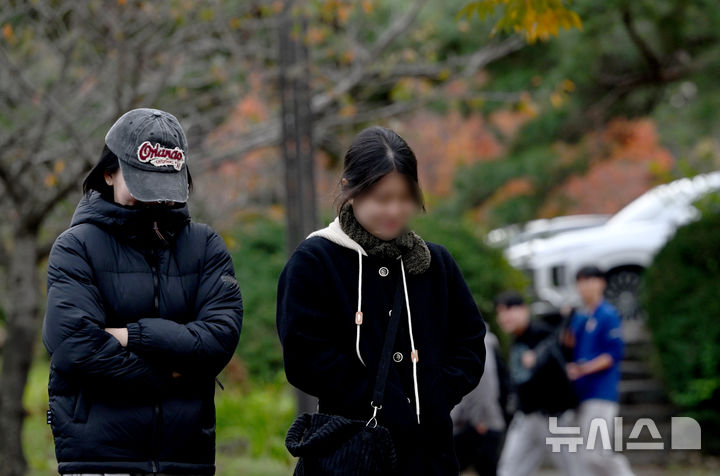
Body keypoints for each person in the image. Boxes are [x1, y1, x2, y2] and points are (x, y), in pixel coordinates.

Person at [42, 108, 244, 475]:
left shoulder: (206, 246)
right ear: (108, 172)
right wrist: (173, 375)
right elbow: (75, 346)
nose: (155, 202)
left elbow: (219, 338)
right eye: (142, 187)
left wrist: (131, 335)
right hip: (98, 460)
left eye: (164, 191)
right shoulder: (76, 247)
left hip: (188, 459)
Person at [276, 125, 486, 475]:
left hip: (430, 456)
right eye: (381, 198)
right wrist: (379, 401)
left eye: (404, 198)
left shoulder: (436, 264)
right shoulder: (315, 261)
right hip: (352, 452)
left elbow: (470, 343)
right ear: (349, 189)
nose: (394, 210)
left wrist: (437, 394)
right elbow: (304, 356)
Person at [495, 291, 582, 476]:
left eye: (509, 310)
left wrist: (540, 358)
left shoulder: (543, 333)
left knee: (574, 468)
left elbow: (560, 352)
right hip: (526, 417)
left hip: (553, 417)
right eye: (500, 312)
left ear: (524, 310)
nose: (504, 317)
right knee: (509, 469)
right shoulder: (515, 340)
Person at [566, 266, 634, 476]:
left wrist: (583, 369)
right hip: (580, 395)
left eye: (589, 280)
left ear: (601, 283)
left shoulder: (608, 314)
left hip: (601, 394)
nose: (585, 286)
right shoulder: (579, 317)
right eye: (581, 281)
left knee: (596, 454)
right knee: (578, 455)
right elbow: (569, 346)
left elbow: (612, 354)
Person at [451, 327, 506, 476]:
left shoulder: (476, 338)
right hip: (477, 422)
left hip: (479, 423)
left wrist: (482, 420)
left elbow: (484, 382)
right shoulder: (485, 337)